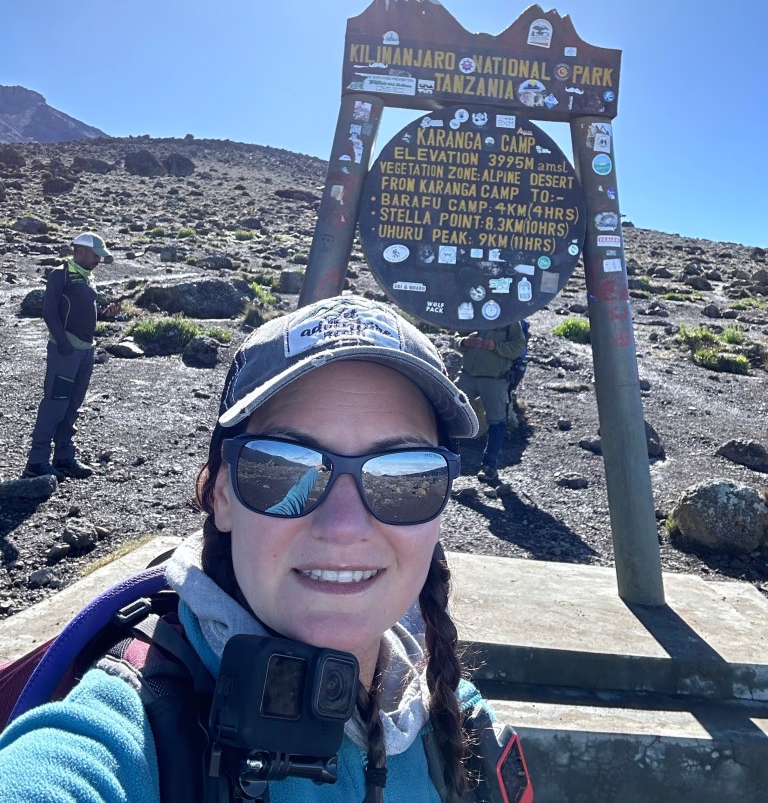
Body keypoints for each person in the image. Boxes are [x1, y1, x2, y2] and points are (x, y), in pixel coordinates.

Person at [0, 294, 532, 803]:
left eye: (404, 477)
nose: (343, 527)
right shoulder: (134, 731)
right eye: (282, 469)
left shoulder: (457, 723)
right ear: (221, 496)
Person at [21, 231, 117, 481]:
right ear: (80, 251)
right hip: (66, 352)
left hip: (85, 351)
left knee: (73, 404)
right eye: (96, 255)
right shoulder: (60, 274)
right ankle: (37, 461)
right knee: (55, 404)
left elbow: (81, 313)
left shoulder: (87, 276)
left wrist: (106, 315)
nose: (99, 260)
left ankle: (64, 456)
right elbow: (49, 311)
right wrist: (63, 343)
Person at [455, 321, 528, 481]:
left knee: (496, 421)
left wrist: (495, 346)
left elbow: (519, 348)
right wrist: (464, 342)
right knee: (449, 409)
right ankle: (445, 457)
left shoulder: (510, 321)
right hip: (466, 376)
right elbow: (456, 339)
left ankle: (489, 466)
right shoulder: (473, 315)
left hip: (495, 380)